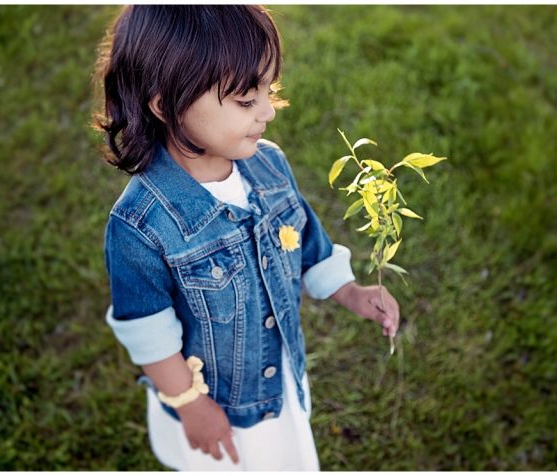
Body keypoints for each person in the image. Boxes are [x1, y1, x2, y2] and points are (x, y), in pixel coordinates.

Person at [94, 6, 400, 470]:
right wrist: (191, 403)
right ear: (165, 104)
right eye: (245, 100)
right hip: (217, 405)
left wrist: (351, 292)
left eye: (268, 90)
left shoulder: (269, 165)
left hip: (276, 382)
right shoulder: (141, 225)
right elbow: (150, 333)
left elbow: (307, 243)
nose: (268, 112)